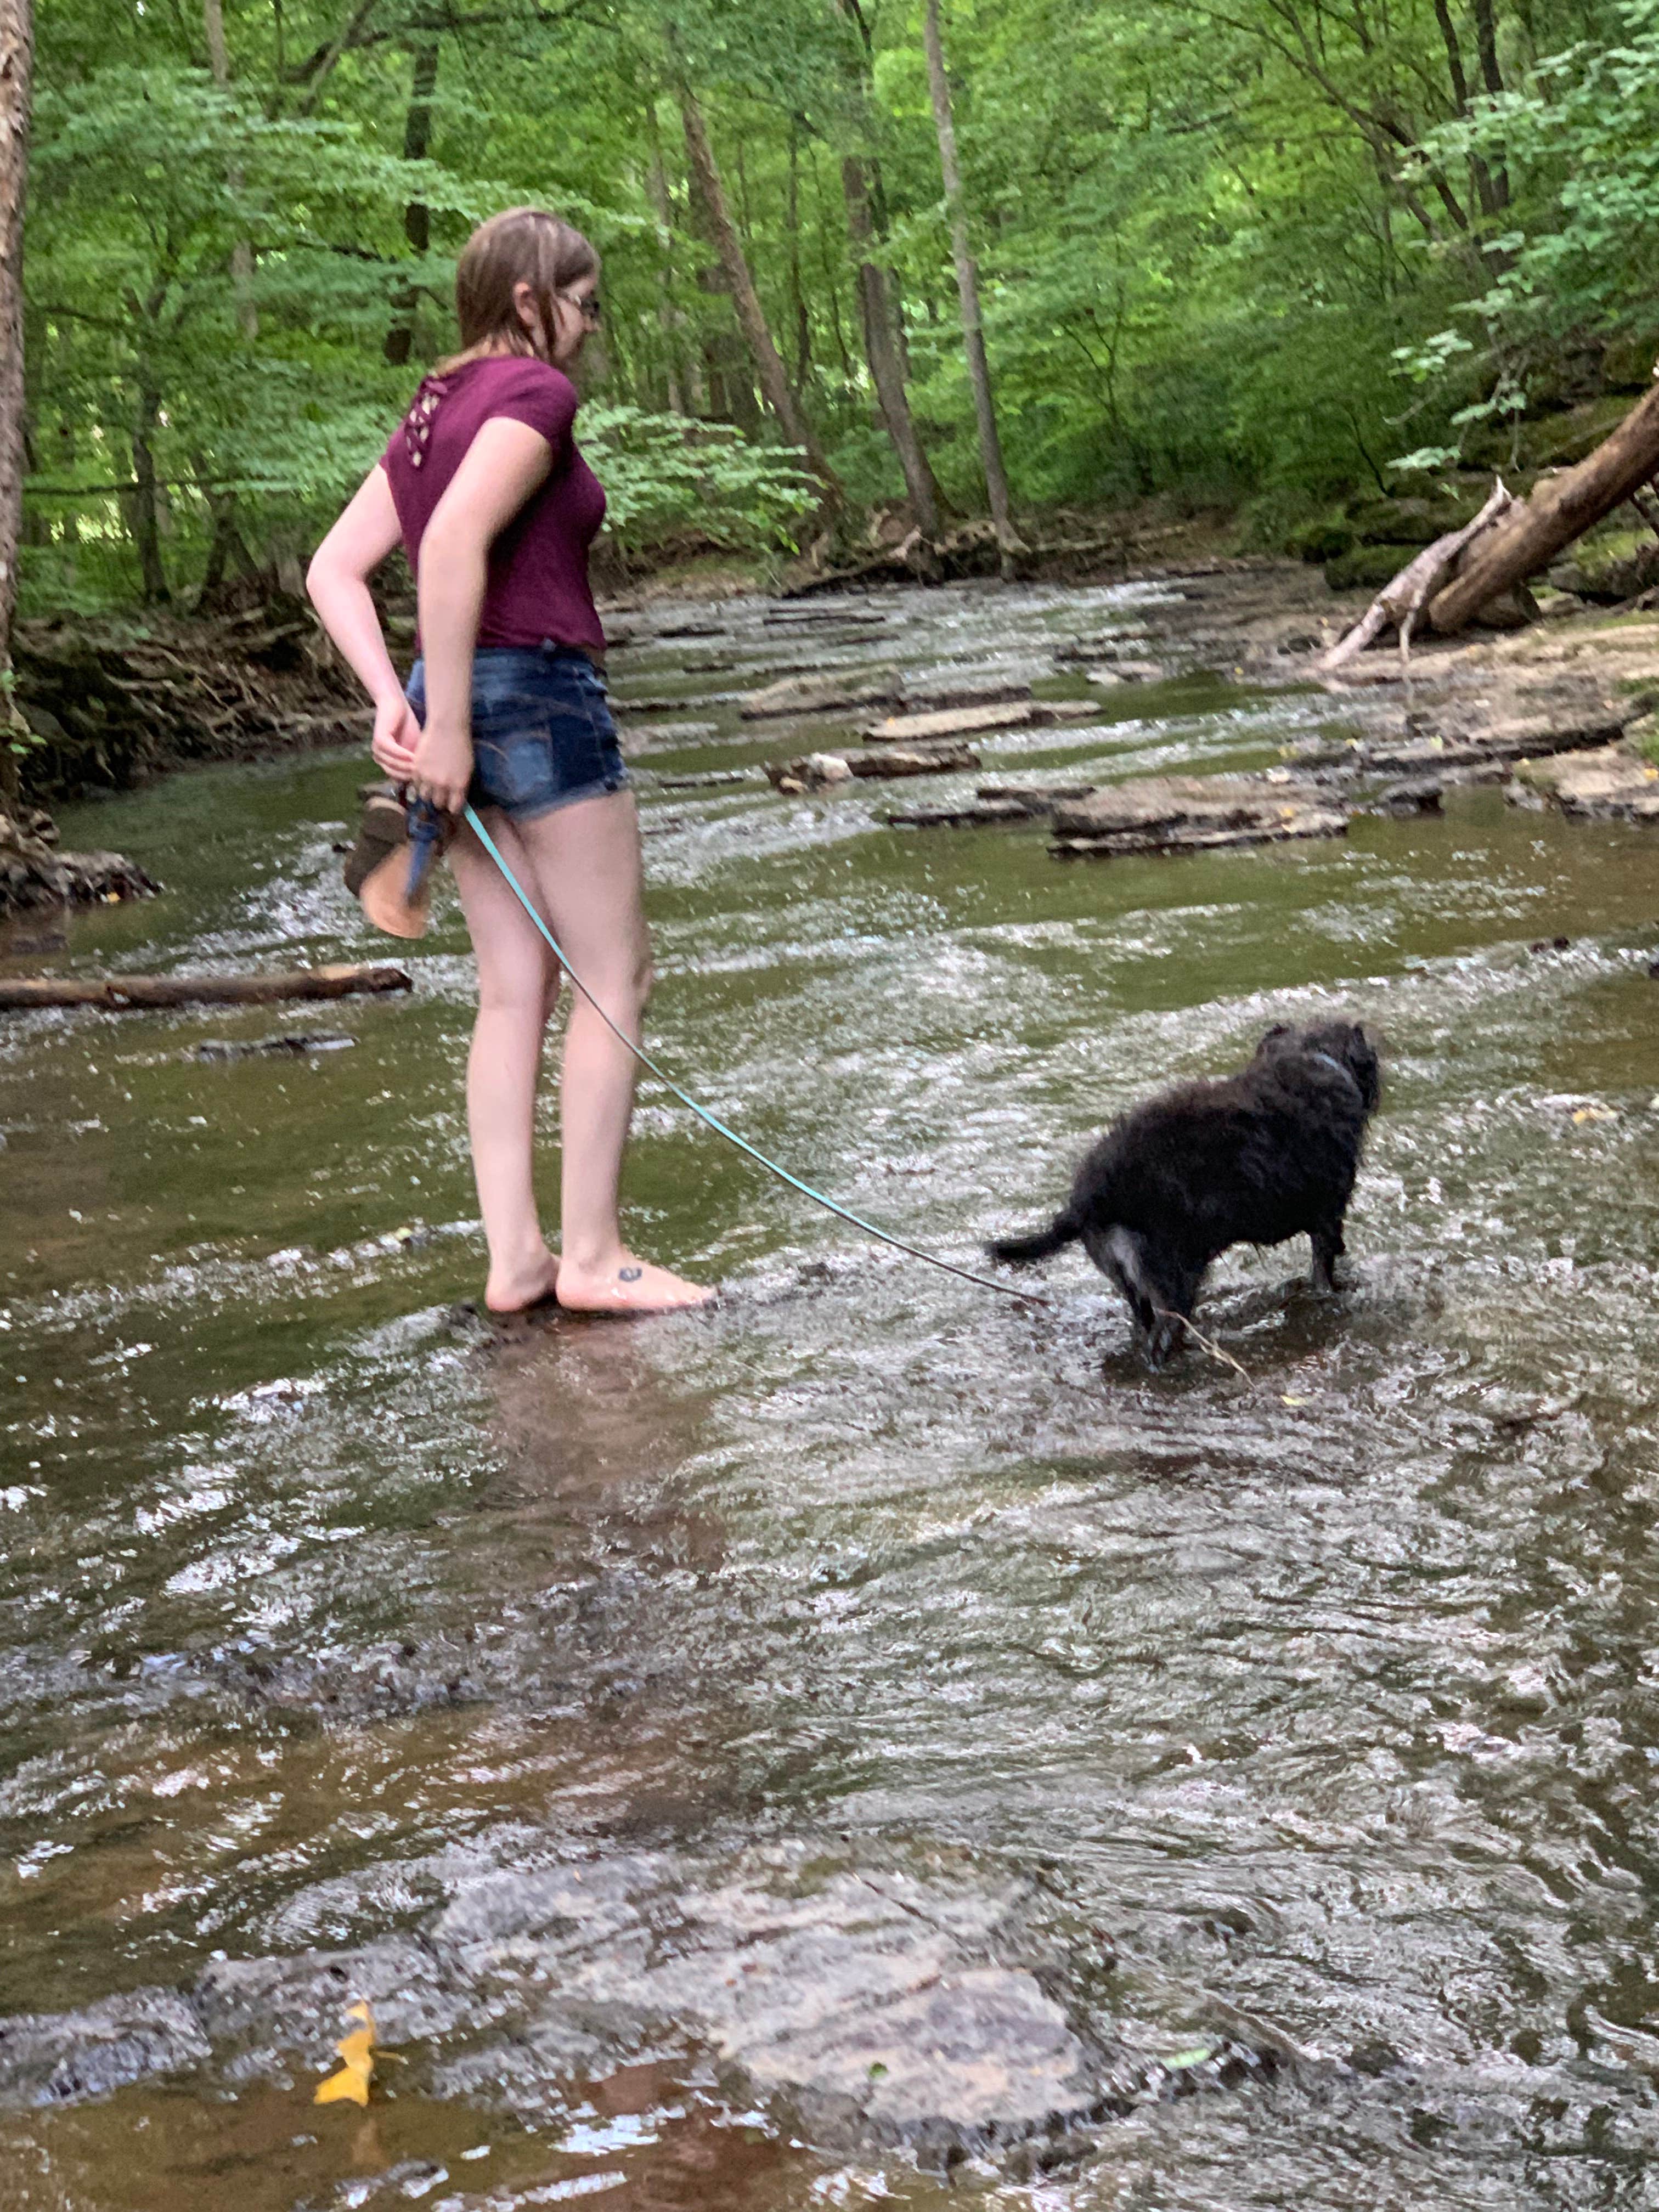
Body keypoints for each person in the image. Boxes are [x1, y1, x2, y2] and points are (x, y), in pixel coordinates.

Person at [307, 206, 713, 1317]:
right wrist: (433, 731)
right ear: (529, 301)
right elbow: (448, 548)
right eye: (584, 305)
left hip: (454, 698)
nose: (592, 328)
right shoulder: (535, 393)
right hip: (535, 698)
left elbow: (333, 573)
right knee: (614, 976)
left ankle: (517, 1261)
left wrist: (402, 702)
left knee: (511, 990)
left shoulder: (435, 410)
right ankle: (593, 1257)